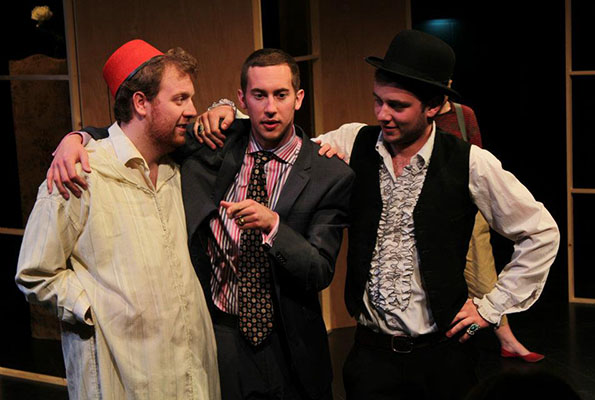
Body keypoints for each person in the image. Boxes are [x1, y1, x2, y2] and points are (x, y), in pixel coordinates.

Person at [195, 30, 560, 399]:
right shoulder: (354, 141)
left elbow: (541, 232)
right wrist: (227, 110)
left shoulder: (470, 163)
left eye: (398, 106)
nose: (383, 114)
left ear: (433, 106)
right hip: (370, 357)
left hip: (442, 357)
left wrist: (491, 307)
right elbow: (283, 132)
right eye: (378, 101)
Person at [47, 48, 355, 400]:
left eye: (281, 95)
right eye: (259, 95)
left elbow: (319, 271)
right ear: (242, 99)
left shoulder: (329, 173)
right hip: (222, 336)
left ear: (298, 98)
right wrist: (78, 137)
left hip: (291, 345)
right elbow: (137, 129)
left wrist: (274, 227)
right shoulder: (214, 142)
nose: (270, 107)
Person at [15, 39, 220, 399]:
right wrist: (93, 308)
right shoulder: (79, 173)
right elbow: (35, 272)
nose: (192, 110)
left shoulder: (177, 169)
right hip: (120, 378)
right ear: (141, 103)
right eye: (179, 99)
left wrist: (226, 107)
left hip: (187, 373)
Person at [436, 93, 545, 362]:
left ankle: (504, 338)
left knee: (482, 275)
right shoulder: (414, 117)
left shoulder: (462, 114)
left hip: (466, 205)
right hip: (433, 209)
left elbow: (478, 160)